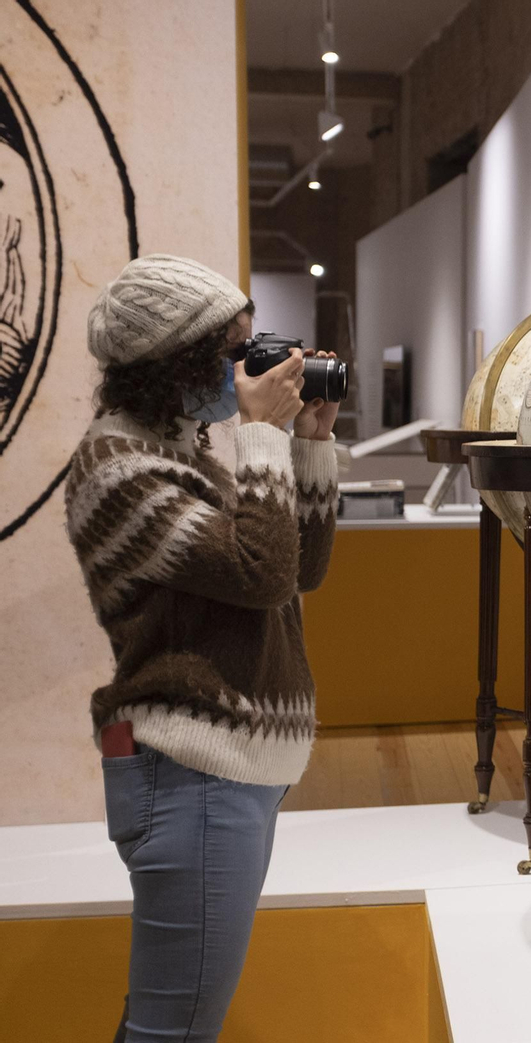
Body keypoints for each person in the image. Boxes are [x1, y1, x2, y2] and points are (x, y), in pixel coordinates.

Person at [63, 254, 340, 1042]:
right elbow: (261, 571)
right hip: (192, 773)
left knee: (177, 1024)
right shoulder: (119, 468)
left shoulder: (181, 452)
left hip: (225, 772)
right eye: (233, 350)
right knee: (174, 1030)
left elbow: (301, 571)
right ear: (173, 359)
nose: (249, 366)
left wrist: (308, 443)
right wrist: (261, 434)